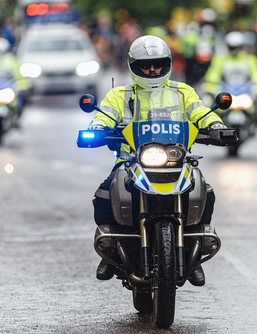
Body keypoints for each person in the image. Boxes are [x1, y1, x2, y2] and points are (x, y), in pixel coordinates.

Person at [88, 35, 227, 286]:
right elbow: (104, 117)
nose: (152, 69)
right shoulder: (120, 95)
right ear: (133, 65)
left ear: (168, 63)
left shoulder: (182, 91)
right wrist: (96, 128)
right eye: (145, 65)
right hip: (131, 161)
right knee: (105, 193)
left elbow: (199, 111)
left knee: (204, 189)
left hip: (177, 160)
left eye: (158, 64)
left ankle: (192, 252)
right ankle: (110, 252)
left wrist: (215, 124)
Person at [203, 31, 257, 124]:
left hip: (244, 93)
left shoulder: (249, 59)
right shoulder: (220, 59)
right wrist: (210, 86)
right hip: (226, 93)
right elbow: (212, 75)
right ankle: (210, 124)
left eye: (236, 47)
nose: (234, 49)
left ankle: (255, 121)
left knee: (255, 105)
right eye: (231, 47)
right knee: (209, 104)